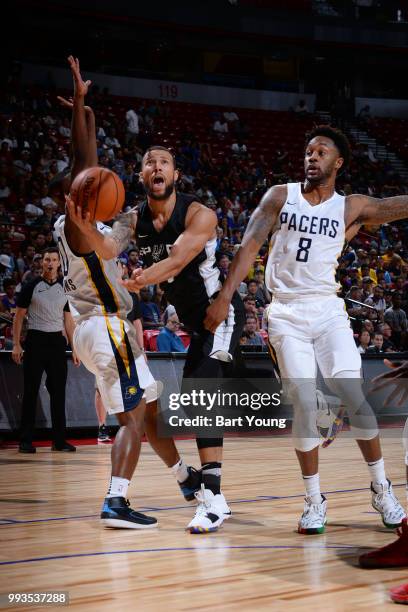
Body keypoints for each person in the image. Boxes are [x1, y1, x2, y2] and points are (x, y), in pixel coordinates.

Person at [205, 124, 407, 534]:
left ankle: (381, 487)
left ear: (338, 162)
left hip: (328, 310)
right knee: (303, 407)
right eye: (308, 152)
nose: (311, 157)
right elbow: (248, 247)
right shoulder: (281, 196)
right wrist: (226, 295)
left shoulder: (351, 207)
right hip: (286, 312)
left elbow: (392, 205)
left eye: (321, 152)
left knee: (354, 396)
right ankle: (314, 499)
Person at [56, 57, 201, 528]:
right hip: (106, 327)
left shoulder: (80, 217)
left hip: (97, 329)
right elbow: (86, 169)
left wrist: (82, 108)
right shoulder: (80, 230)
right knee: (132, 420)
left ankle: (184, 477)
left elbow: (85, 163)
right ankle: (116, 500)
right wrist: (82, 114)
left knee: (150, 410)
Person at [75, 143, 245, 533]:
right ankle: (208, 491)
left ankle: (214, 500)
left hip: (220, 314)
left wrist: (142, 279)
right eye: (149, 162)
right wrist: (87, 227)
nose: (156, 166)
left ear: (175, 175)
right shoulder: (133, 219)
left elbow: (178, 259)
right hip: (192, 324)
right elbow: (108, 247)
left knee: (199, 392)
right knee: (203, 394)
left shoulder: (199, 214)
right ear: (140, 176)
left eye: (164, 162)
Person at [12, 248, 78, 453]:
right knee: (31, 392)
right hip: (35, 341)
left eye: (54, 260)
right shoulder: (31, 285)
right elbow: (19, 317)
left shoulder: (65, 287)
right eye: (47, 260)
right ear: (42, 263)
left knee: (59, 393)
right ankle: (25, 441)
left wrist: (75, 348)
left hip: (57, 343)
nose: (50, 263)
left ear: (59, 263)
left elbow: (69, 320)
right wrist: (16, 343)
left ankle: (59, 441)